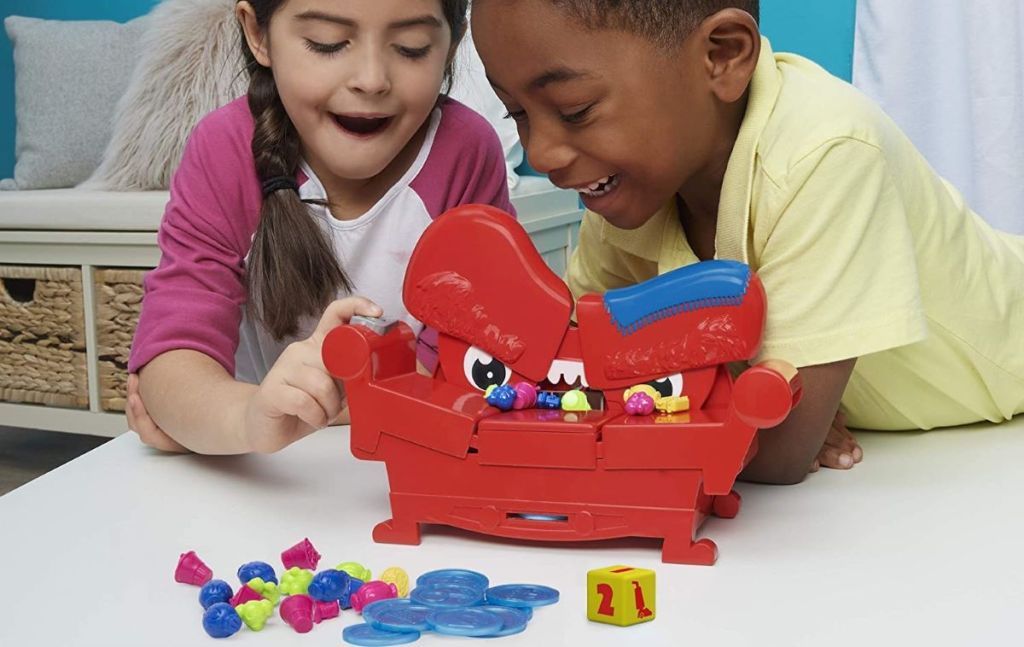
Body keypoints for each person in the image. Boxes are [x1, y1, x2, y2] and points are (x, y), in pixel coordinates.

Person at [470, 0, 1024, 484]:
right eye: (517, 113)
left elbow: (775, 453)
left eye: (575, 110)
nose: (539, 154)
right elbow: (569, 377)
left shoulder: (823, 149)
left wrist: (739, 418)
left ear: (722, 56)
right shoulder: (631, 190)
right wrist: (731, 410)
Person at [127, 0, 513, 455]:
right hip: (264, 475)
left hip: (407, 460)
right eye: (327, 44)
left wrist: (200, 423)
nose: (371, 80)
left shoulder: (467, 152)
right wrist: (245, 420)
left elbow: (466, 367)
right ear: (258, 34)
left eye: (412, 48)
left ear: (451, 45)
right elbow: (171, 365)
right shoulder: (223, 149)